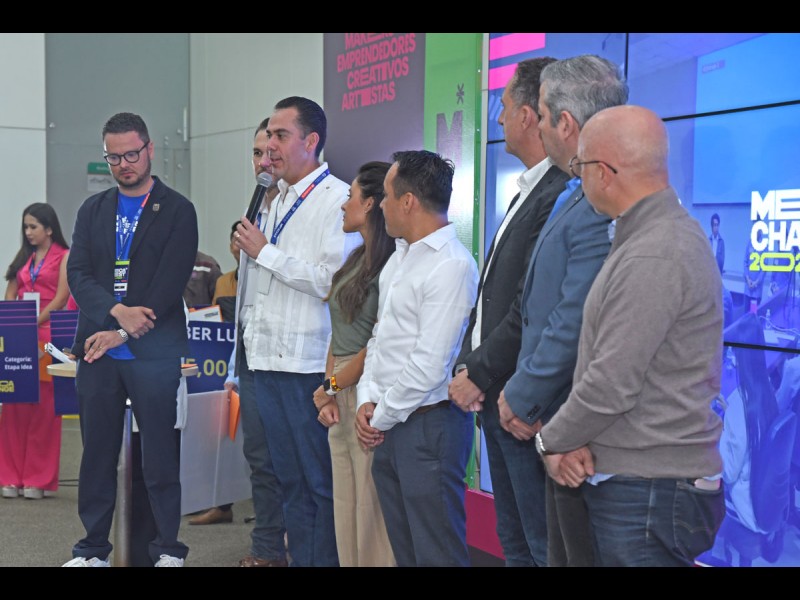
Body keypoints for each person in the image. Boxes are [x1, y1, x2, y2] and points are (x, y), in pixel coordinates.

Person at [536, 104, 726, 567]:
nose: (579, 178)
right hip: (642, 484)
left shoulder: (655, 252)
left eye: (580, 167)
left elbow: (611, 384)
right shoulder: (650, 239)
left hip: (648, 491)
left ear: (603, 172)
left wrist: (550, 440)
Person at [497, 54, 626, 567]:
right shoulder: (573, 193)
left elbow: (572, 317)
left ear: (566, 124)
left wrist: (522, 395)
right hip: (552, 420)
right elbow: (536, 303)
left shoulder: (598, 203)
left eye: (545, 117)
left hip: (573, 425)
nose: (539, 127)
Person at [447, 57, 567, 567]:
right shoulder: (529, 190)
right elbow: (492, 298)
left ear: (528, 115)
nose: (497, 119)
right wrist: (471, 367)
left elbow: (529, 305)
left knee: (539, 544)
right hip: (497, 395)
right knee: (513, 539)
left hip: (523, 399)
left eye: (504, 106)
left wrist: (478, 372)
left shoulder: (558, 193)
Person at [63, 112, 197, 567]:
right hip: (98, 352)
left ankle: (167, 550)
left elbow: (169, 283)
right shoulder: (93, 210)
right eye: (114, 157)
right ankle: (92, 550)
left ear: (150, 149)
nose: (124, 164)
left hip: (154, 352)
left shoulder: (177, 210)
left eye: (132, 154)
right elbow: (78, 274)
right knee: (96, 456)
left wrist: (122, 329)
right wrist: (116, 313)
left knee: (159, 456)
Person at [234, 97, 358, 567]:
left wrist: (265, 252)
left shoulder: (337, 199)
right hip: (265, 360)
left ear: (312, 141)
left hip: (307, 366)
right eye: (268, 136)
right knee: (288, 482)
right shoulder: (274, 198)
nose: (270, 146)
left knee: (318, 483)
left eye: (281, 136)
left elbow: (332, 281)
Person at [355, 150, 479, 567]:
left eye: (387, 196)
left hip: (429, 426)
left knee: (436, 552)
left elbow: (430, 364)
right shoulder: (400, 257)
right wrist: (366, 399)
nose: (381, 206)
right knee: (406, 551)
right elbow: (379, 338)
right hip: (391, 420)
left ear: (408, 201)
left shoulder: (452, 265)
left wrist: (379, 415)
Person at [209, 119, 288, 565]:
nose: (263, 161)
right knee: (260, 459)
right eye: (257, 153)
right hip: (253, 353)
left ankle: (293, 544)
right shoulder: (256, 207)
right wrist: (234, 366)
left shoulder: (308, 205)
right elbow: (246, 297)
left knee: (293, 463)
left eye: (270, 151)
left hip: (294, 360)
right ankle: (266, 547)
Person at [312, 161, 396, 567]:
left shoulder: (390, 265)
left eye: (351, 196)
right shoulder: (356, 259)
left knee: (370, 507)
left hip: (365, 390)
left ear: (371, 203)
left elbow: (375, 345)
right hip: (339, 389)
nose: (344, 205)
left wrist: (331, 386)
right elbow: (338, 329)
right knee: (345, 502)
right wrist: (328, 388)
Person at [0, 203, 70, 500]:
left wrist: (33, 321)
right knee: (14, 406)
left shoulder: (65, 257)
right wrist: (14, 322)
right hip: (20, 337)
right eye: (25, 227)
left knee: (44, 409)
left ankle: (37, 478)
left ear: (49, 229)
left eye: (33, 227)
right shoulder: (23, 259)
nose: (28, 232)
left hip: (47, 336)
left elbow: (61, 297)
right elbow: (11, 292)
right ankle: (9, 475)